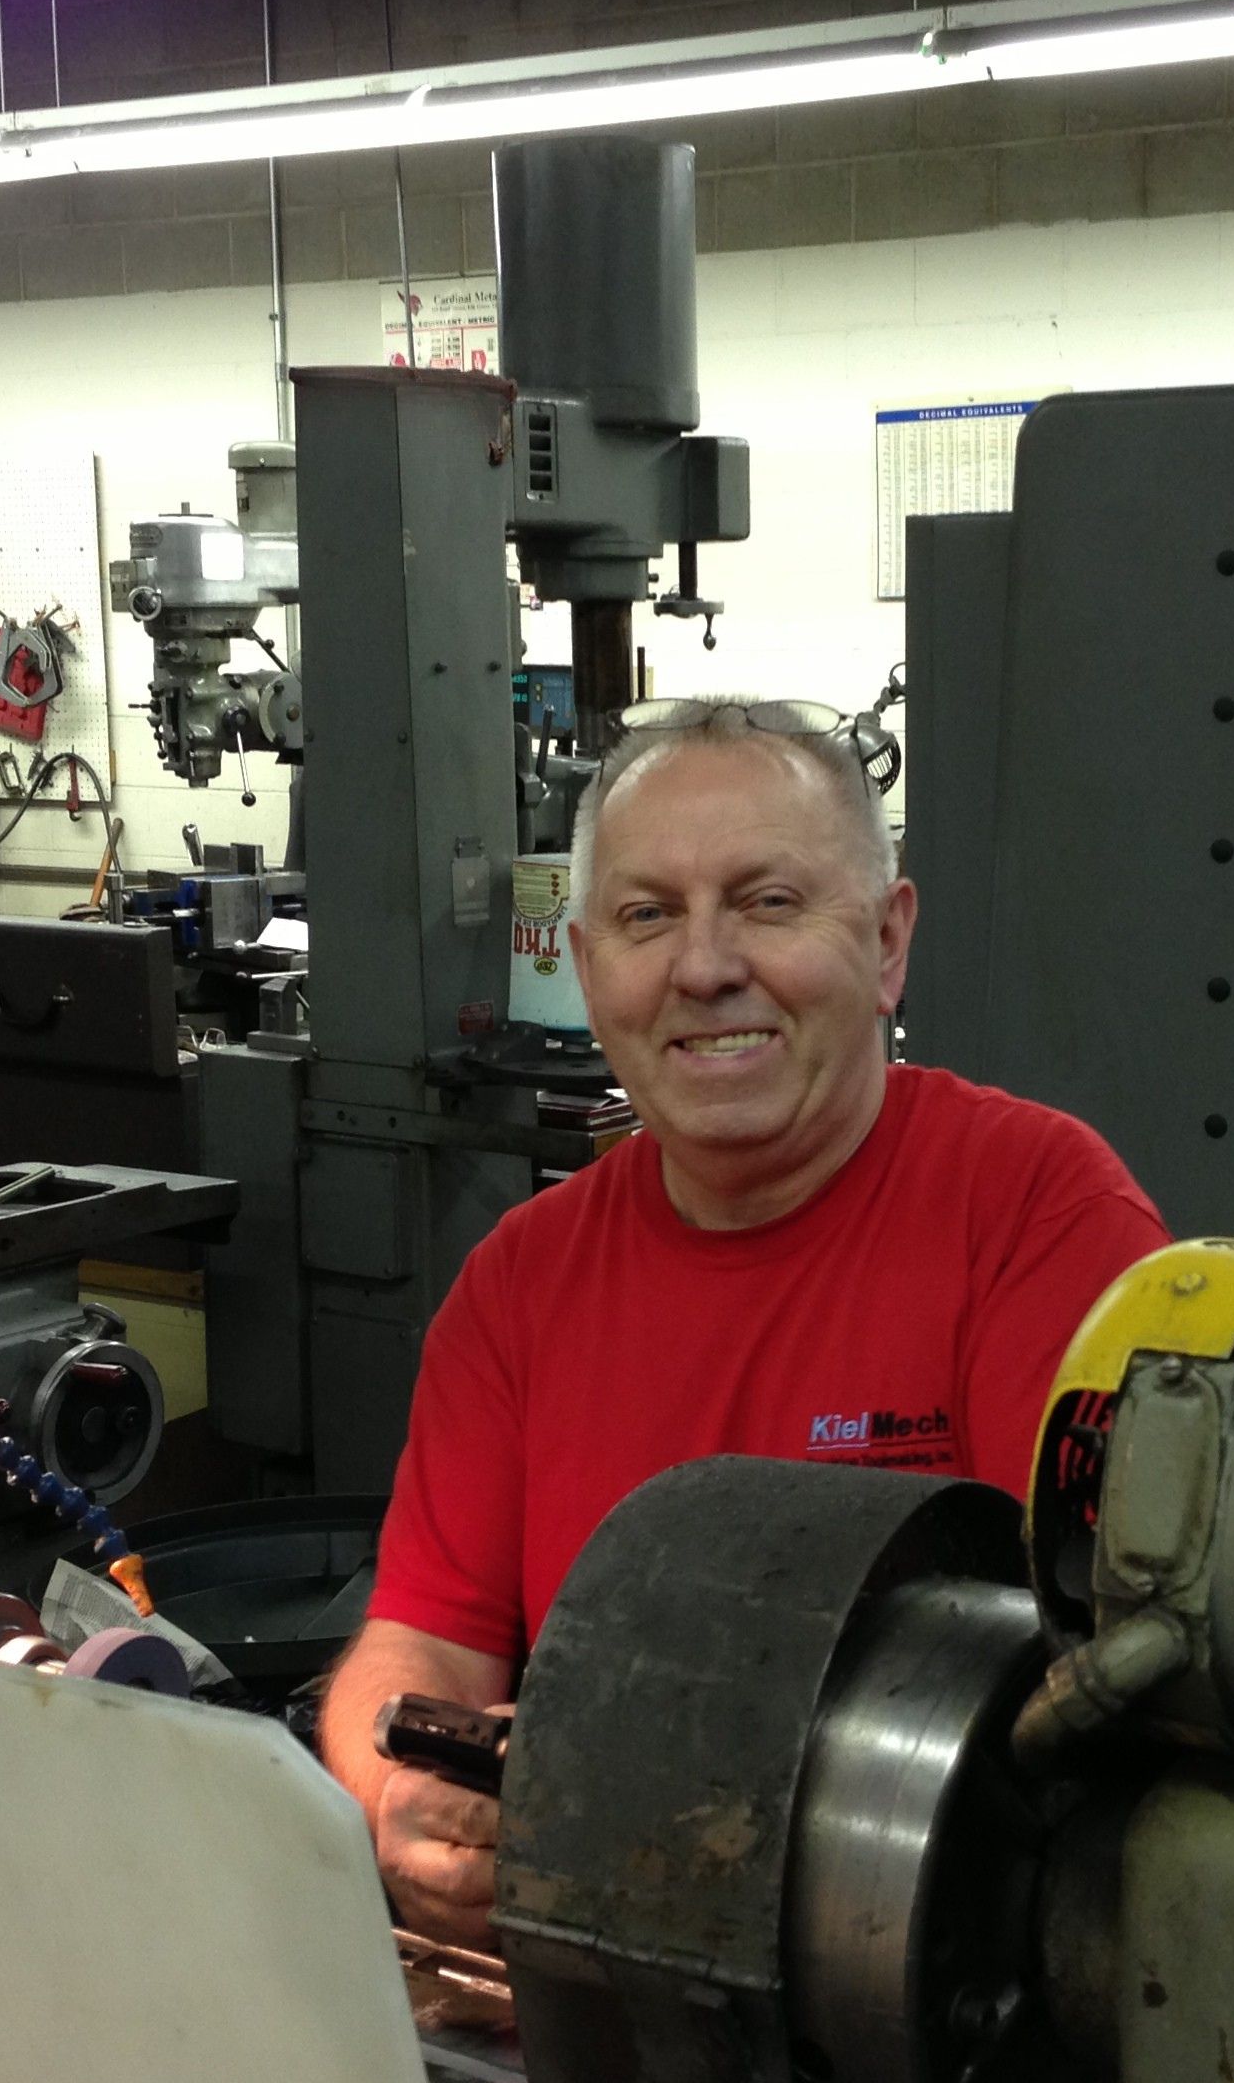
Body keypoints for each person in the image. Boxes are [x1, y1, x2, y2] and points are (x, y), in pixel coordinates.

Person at [317, 698, 1168, 1945]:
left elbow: (1088, 1696)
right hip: (618, 1993)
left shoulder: (1038, 1214)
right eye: (647, 915)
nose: (705, 968)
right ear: (590, 963)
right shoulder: (522, 1280)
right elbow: (422, 1644)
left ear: (887, 944)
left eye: (768, 903)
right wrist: (401, 1794)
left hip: (933, 2005)